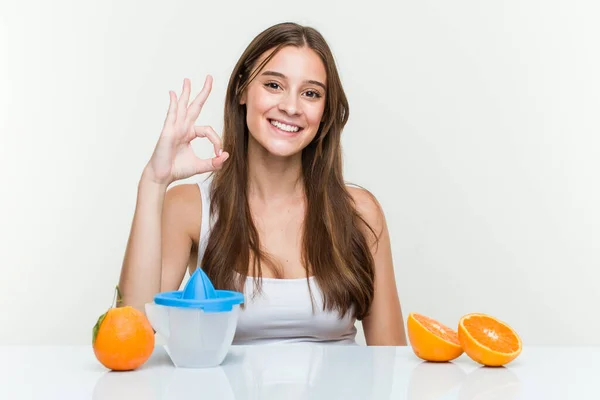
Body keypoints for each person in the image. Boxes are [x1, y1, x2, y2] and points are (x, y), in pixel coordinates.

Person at [118, 22, 407, 346]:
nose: (291, 106)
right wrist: (154, 182)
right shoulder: (188, 207)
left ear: (325, 112)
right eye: (273, 85)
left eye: (310, 93)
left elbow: (389, 364)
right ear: (242, 90)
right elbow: (129, 336)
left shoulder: (360, 213)